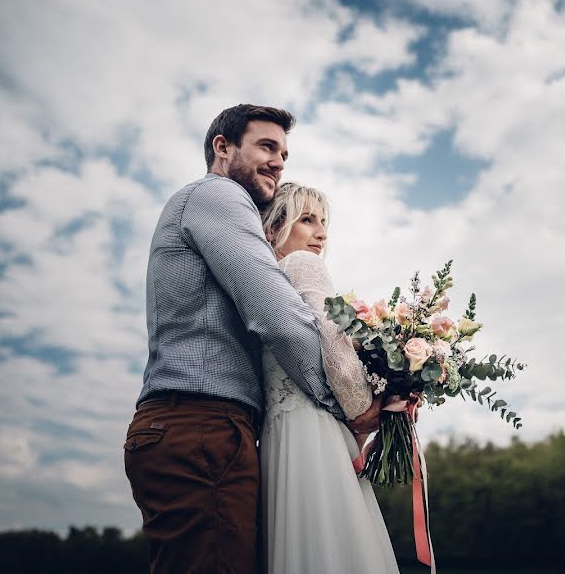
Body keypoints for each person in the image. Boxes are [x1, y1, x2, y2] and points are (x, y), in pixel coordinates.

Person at [123, 104, 381, 574]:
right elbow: (276, 314)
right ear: (223, 148)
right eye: (266, 146)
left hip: (208, 426)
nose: (279, 161)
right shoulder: (217, 197)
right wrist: (350, 403)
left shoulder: (218, 213)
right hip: (201, 425)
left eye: (283, 152)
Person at [259, 182, 400, 574]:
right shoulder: (303, 264)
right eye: (307, 220)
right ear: (273, 230)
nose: (321, 232)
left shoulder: (263, 285)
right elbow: (333, 337)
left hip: (274, 439)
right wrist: (366, 408)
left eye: (324, 223)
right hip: (314, 430)